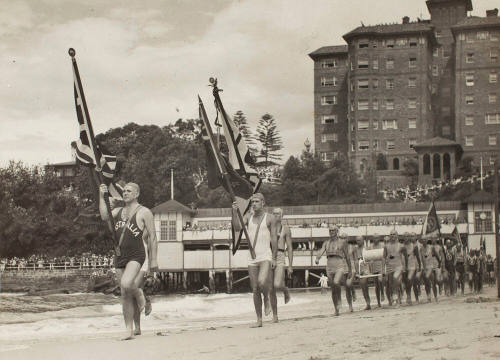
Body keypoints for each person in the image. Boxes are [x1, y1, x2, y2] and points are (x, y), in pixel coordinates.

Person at [99, 183, 158, 340]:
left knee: (126, 284)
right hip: (119, 255)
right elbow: (104, 216)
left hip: (136, 254)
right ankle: (128, 330)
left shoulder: (144, 212)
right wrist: (101, 196)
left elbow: (152, 236)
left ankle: (139, 293)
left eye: (128, 191)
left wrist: (153, 260)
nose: (125, 193)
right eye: (123, 191)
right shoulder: (118, 211)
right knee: (125, 294)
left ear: (137, 193)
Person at [232, 193, 277, 328]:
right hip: (252, 257)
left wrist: (274, 257)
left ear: (263, 203)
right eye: (252, 202)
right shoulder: (248, 217)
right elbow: (237, 227)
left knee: (262, 281)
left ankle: (267, 299)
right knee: (255, 288)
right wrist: (235, 212)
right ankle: (259, 320)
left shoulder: (270, 218)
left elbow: (274, 239)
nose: (254, 204)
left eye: (257, 201)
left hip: (265, 256)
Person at [315, 227, 352, 316]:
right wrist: (317, 258)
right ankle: (336, 310)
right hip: (329, 265)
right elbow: (321, 251)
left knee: (336, 282)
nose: (331, 232)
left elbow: (347, 256)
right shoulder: (326, 243)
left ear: (337, 232)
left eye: (333, 230)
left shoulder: (342, 242)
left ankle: (339, 300)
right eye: (330, 230)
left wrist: (350, 269)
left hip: (339, 264)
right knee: (333, 289)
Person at [270, 207, 293, 323]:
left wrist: (290, 265)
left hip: (280, 255)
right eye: (274, 214)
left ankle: (285, 289)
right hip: (268, 256)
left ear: (282, 215)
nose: (276, 215)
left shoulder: (286, 229)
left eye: (278, 214)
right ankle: (275, 315)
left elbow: (289, 248)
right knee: (271, 289)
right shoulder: (268, 228)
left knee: (277, 284)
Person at [384, 231, 407, 306]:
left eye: (394, 234)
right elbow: (384, 257)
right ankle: (398, 299)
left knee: (395, 278)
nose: (392, 236)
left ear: (397, 235)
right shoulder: (386, 246)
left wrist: (405, 266)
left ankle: (395, 296)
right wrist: (384, 268)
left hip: (398, 266)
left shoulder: (401, 246)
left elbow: (405, 256)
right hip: (390, 267)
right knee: (391, 284)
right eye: (391, 234)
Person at [365, 234, 385, 307]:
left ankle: (382, 292)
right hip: (373, 266)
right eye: (374, 238)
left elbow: (384, 256)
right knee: (376, 285)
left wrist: (383, 267)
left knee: (380, 280)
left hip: (380, 265)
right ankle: (378, 302)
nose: (375, 239)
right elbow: (367, 256)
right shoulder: (370, 247)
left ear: (379, 238)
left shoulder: (382, 246)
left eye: (377, 238)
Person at [353, 235, 371, 310]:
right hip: (360, 270)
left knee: (364, 284)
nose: (358, 242)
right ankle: (368, 303)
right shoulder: (355, 250)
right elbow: (355, 261)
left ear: (363, 240)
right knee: (364, 287)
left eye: (359, 240)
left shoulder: (367, 248)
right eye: (357, 240)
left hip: (366, 269)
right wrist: (357, 272)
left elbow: (371, 259)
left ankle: (369, 303)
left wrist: (370, 269)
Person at [420, 235, 441, 302]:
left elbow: (437, 255)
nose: (424, 241)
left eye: (425, 239)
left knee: (433, 282)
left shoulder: (431, 247)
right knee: (427, 282)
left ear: (427, 240)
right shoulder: (421, 249)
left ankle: (435, 296)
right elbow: (422, 259)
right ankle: (428, 296)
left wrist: (439, 263)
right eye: (422, 240)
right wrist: (423, 267)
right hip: (425, 267)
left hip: (431, 266)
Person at [404, 233, 422, 304]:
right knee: (407, 283)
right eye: (405, 236)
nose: (406, 238)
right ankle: (409, 297)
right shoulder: (402, 247)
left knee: (410, 281)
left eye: (407, 236)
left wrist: (419, 266)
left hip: (412, 266)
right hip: (405, 267)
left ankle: (415, 298)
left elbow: (418, 257)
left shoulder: (414, 246)